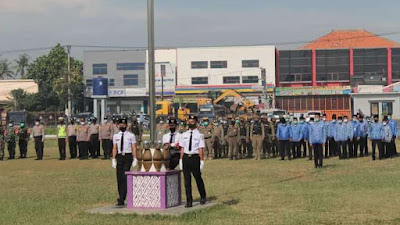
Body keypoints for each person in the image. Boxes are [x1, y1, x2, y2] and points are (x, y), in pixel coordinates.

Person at [179, 115, 207, 208]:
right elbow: (182, 148)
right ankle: (189, 200)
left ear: (196, 122)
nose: (190, 122)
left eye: (192, 121)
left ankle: (203, 196)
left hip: (195, 158)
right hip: (186, 158)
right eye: (189, 121)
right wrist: (180, 159)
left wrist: (202, 161)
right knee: (187, 181)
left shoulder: (199, 135)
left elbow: (200, 149)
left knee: (198, 178)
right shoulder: (184, 135)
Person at [111, 118, 138, 207]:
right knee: (119, 177)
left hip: (128, 156)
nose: (122, 126)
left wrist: (135, 158)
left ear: (126, 125)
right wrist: (113, 159)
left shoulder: (131, 135)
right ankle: (121, 198)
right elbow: (115, 147)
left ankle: (124, 196)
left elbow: (134, 147)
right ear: (118, 125)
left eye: (123, 124)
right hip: (119, 156)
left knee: (125, 176)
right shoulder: (116, 136)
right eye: (120, 124)